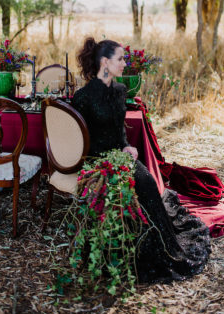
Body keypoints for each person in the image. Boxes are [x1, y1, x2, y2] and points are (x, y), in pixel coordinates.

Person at [71, 37, 211, 284]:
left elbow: (119, 130)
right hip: (98, 161)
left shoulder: (119, 91)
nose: (125, 64)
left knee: (146, 181)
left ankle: (161, 249)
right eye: (120, 59)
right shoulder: (82, 97)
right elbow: (81, 142)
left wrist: (126, 145)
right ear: (105, 62)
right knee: (132, 184)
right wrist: (109, 160)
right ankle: (114, 251)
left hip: (120, 155)